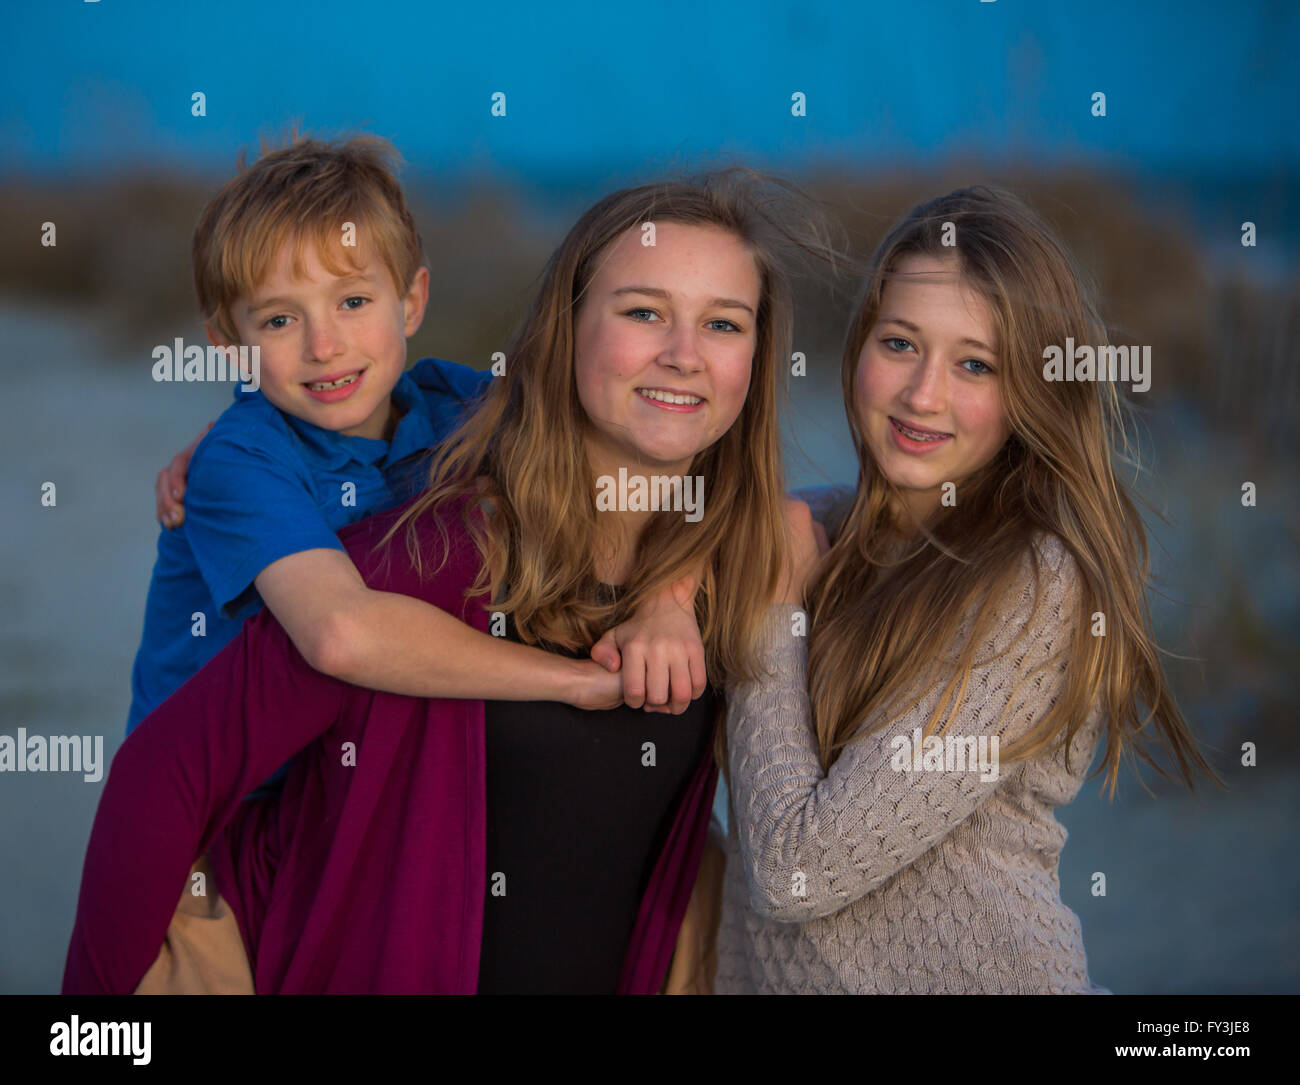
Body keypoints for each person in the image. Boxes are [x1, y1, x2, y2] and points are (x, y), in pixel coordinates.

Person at [64, 170, 835, 994]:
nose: (683, 353)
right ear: (564, 328)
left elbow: (751, 494)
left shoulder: (464, 420)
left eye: (723, 322)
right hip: (251, 860)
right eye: (643, 311)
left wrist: (670, 596)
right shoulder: (416, 547)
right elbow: (211, 736)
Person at [716, 186, 1221, 994]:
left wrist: (771, 616)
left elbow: (796, 871)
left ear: (1028, 392)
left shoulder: (1035, 583)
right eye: (901, 343)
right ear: (858, 349)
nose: (924, 394)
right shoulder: (816, 533)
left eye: (975, 364)